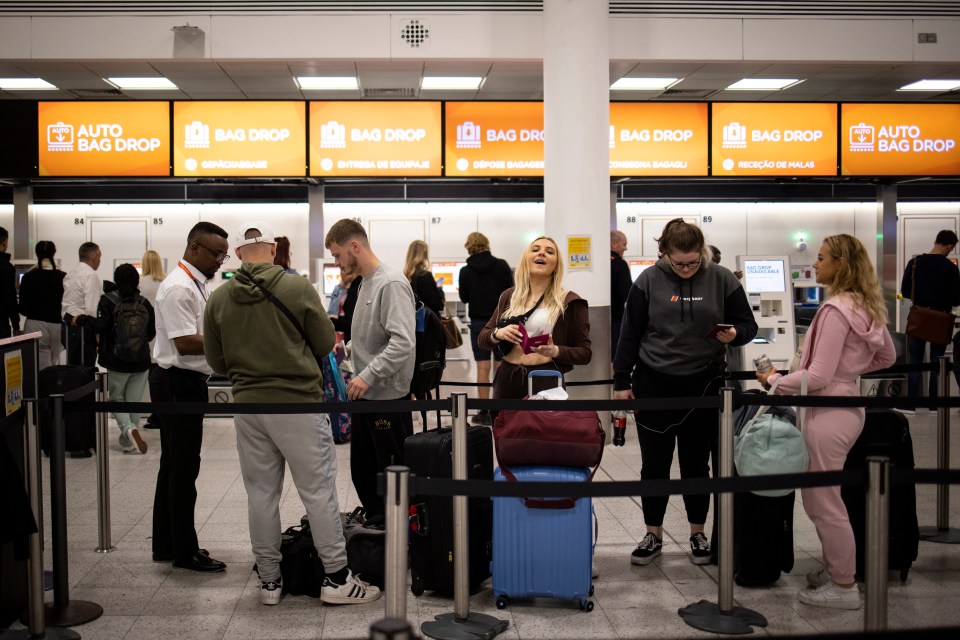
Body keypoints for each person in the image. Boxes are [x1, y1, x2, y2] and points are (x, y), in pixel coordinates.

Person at [204, 222, 380, 606]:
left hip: (249, 408)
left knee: (260, 496)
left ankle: (269, 581)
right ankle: (336, 578)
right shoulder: (297, 287)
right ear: (272, 249)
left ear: (236, 255)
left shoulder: (219, 299)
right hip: (298, 404)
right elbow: (321, 342)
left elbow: (216, 360)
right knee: (317, 493)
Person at [758, 234, 895, 610]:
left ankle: (844, 584)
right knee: (828, 498)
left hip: (826, 409)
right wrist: (848, 372)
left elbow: (816, 377)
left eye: (821, 259)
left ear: (840, 264)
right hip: (848, 407)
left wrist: (773, 381)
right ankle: (839, 570)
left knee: (823, 503)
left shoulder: (834, 310)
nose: (815, 265)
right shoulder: (864, 305)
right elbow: (887, 357)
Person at [613, 218, 757, 567]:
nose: (687, 269)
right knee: (655, 465)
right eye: (679, 264)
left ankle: (697, 532)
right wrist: (621, 382)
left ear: (703, 253)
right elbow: (629, 333)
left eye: (694, 262)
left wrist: (734, 334)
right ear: (664, 254)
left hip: (703, 384)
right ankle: (653, 533)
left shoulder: (720, 278)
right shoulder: (647, 280)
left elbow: (748, 325)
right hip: (654, 382)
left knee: (697, 464)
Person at [150, 221, 229, 572]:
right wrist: (231, 338)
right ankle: (184, 551)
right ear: (195, 248)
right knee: (183, 469)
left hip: (185, 380)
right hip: (175, 381)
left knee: (173, 466)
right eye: (216, 254)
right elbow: (185, 341)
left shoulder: (195, 284)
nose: (219, 261)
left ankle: (167, 544)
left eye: (223, 256)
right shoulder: (179, 287)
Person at [324, 219, 415, 520]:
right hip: (366, 397)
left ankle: (395, 542)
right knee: (363, 473)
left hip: (386, 400)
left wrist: (368, 374)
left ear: (354, 246)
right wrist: (350, 349)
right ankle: (377, 538)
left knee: (388, 480)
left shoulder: (390, 282)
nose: (337, 263)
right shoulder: (366, 282)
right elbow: (377, 335)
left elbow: (403, 342)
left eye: (338, 255)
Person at [478, 236, 592, 401]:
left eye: (549, 252)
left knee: (546, 427)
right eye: (535, 249)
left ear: (556, 265)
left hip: (547, 380)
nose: (542, 254)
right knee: (505, 426)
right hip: (508, 378)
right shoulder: (509, 296)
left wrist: (556, 351)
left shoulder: (570, 302)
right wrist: (498, 334)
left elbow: (585, 353)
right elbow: (483, 339)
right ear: (526, 259)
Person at [92, 264, 155, 454]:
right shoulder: (144, 303)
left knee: (116, 398)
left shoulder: (107, 301)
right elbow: (151, 333)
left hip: (116, 359)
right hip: (141, 360)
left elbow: (101, 326)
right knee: (133, 400)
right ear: (137, 280)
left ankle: (128, 431)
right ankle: (128, 441)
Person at [899, 229, 960, 413]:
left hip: (919, 316)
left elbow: (905, 291)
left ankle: (910, 405)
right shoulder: (951, 268)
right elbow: (956, 299)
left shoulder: (915, 262)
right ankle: (934, 406)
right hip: (940, 319)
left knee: (916, 361)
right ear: (950, 246)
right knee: (937, 362)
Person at [459, 232, 513, 426]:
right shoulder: (502, 265)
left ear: (469, 247)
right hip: (502, 321)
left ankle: (483, 411)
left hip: (479, 323)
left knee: (483, 366)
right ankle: (498, 408)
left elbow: (464, 298)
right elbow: (512, 291)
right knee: (501, 364)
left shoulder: (465, 271)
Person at [19, 241, 66, 369]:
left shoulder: (28, 277)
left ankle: (42, 388)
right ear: (54, 253)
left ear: (36, 254)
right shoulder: (63, 277)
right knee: (56, 363)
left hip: (34, 325)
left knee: (40, 367)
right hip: (57, 325)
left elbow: (22, 307)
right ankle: (56, 387)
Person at [61, 241, 102, 366]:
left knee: (73, 369)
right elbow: (92, 308)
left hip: (68, 326)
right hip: (83, 330)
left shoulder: (71, 274)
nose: (100, 261)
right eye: (99, 257)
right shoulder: (90, 275)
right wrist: (97, 335)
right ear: (94, 257)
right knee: (85, 370)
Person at [139, 249, 166, 430]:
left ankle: (154, 414)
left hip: (146, 335)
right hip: (163, 335)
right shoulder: (165, 283)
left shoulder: (141, 284)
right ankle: (160, 414)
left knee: (150, 377)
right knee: (161, 377)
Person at [403, 239, 444, 316]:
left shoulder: (403, 277)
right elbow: (438, 305)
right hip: (427, 323)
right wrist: (439, 288)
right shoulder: (425, 276)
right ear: (424, 255)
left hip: (411, 322)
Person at [610, 230, 632, 359]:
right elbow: (627, 293)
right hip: (616, 320)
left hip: (603, 320)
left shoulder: (601, 262)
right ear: (613, 244)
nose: (626, 248)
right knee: (615, 355)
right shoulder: (619, 264)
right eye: (624, 244)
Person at [329, 266, 361, 342]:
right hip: (341, 325)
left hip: (345, 327)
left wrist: (332, 321)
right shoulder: (339, 288)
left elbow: (352, 322)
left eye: (343, 270)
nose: (342, 273)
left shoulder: (355, 289)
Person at [0, 227, 19, 339]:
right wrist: (16, 325)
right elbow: (10, 298)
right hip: (1, 323)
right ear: (5, 242)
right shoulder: (6, 267)